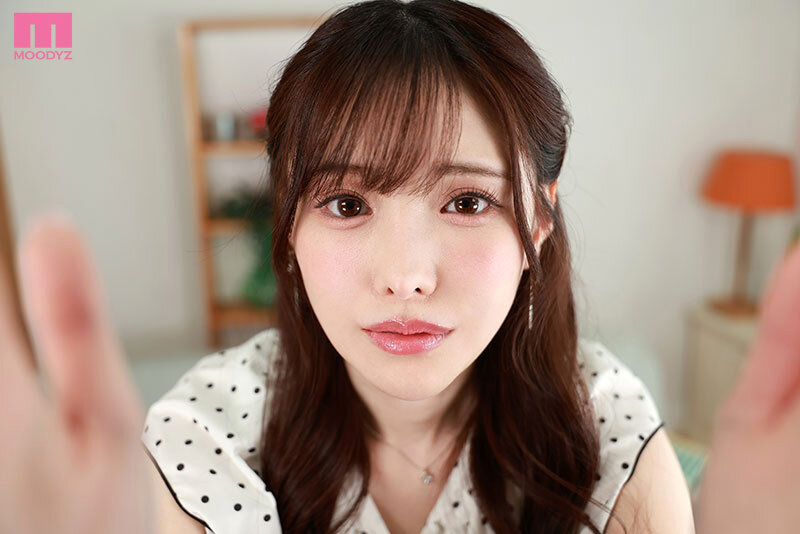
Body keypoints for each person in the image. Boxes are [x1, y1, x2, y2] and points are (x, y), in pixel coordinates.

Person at [1, 1, 798, 533]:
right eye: (347, 204)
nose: (406, 277)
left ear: (539, 219)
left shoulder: (611, 442)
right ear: (288, 225)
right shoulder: (206, 439)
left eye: (467, 202)